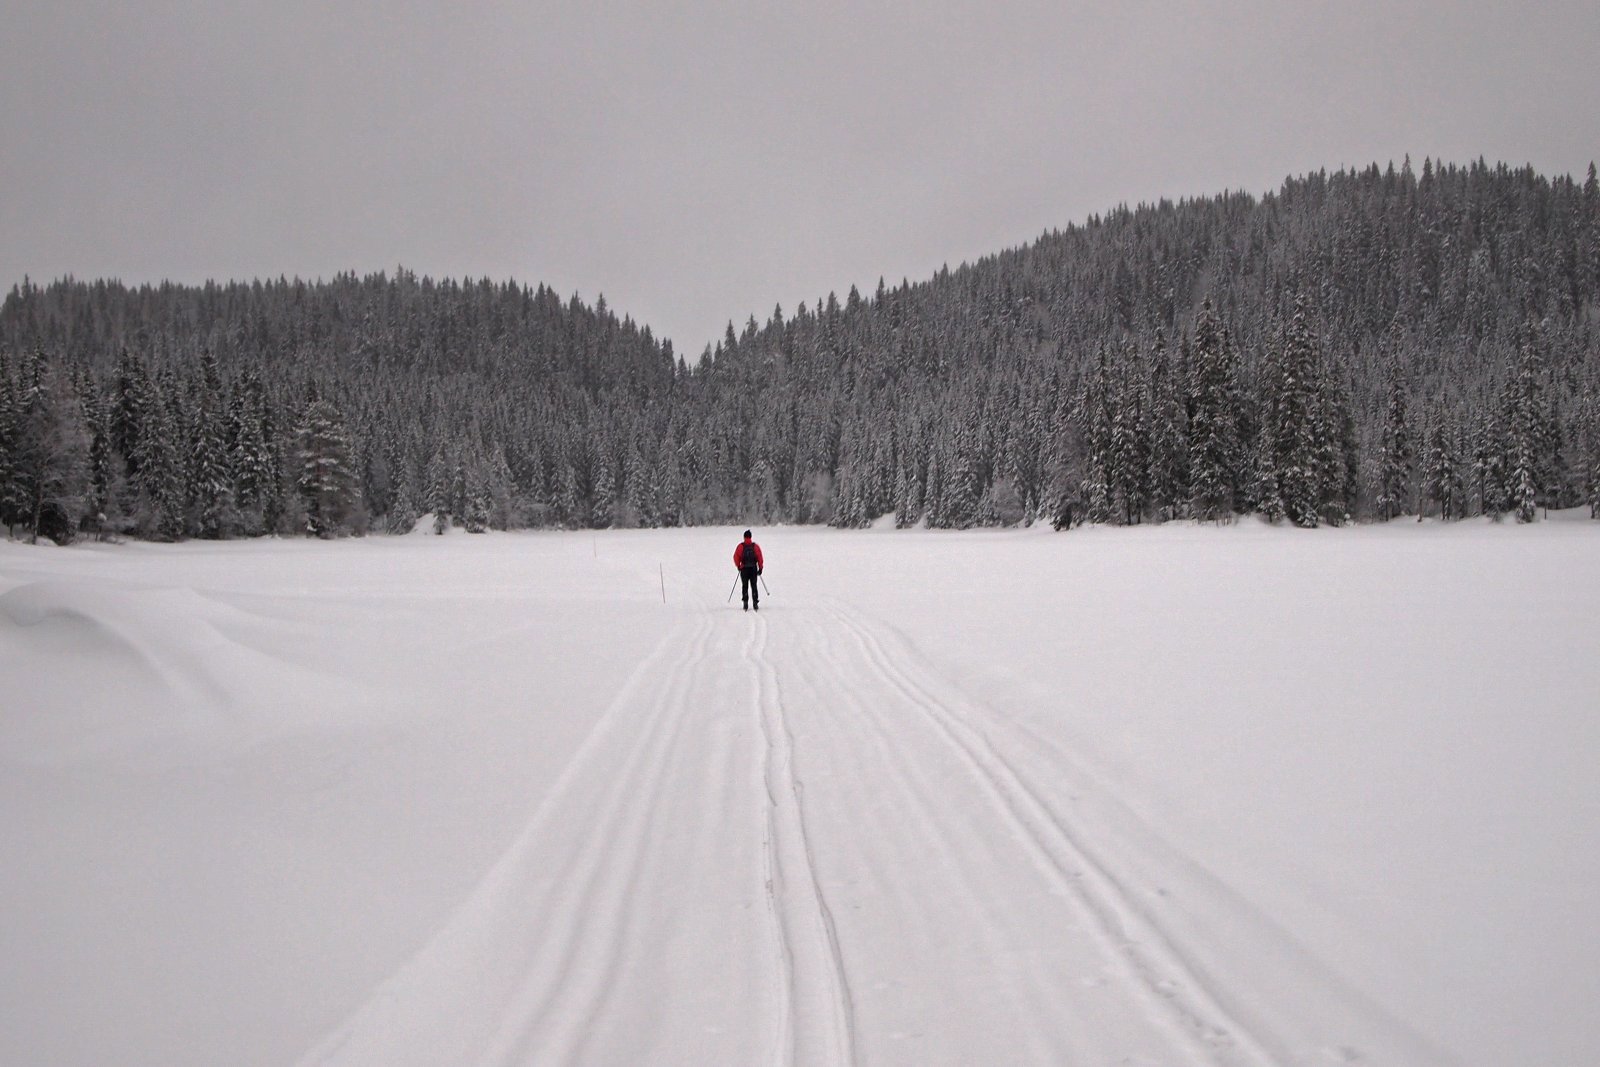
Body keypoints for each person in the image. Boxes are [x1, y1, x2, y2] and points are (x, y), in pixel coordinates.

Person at [733, 529, 764, 611]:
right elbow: (760, 557)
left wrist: (738, 566)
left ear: (744, 537)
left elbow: (736, 557)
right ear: (751, 537)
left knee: (745, 586)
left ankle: (745, 602)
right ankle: (755, 602)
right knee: (754, 586)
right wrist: (760, 568)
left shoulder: (741, 546)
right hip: (753, 568)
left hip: (744, 569)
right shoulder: (755, 546)